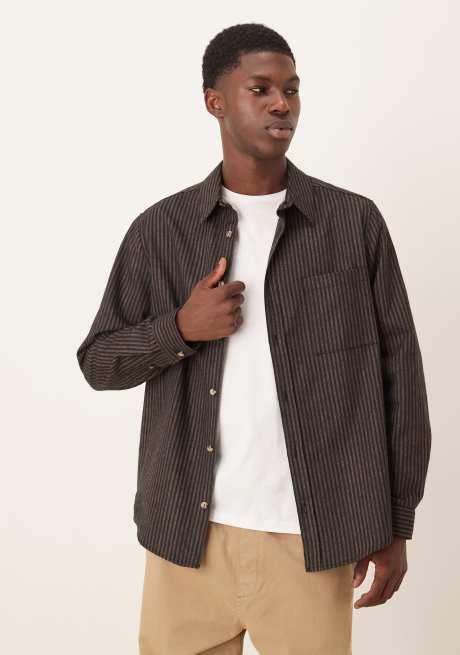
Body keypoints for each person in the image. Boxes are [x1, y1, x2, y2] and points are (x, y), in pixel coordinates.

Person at [76, 22, 432, 655]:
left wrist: (395, 522)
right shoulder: (162, 231)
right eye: (261, 89)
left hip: (311, 537)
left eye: (291, 90)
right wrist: (179, 329)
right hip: (188, 538)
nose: (281, 105)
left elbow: (400, 379)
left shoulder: (352, 225)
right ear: (215, 101)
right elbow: (99, 361)